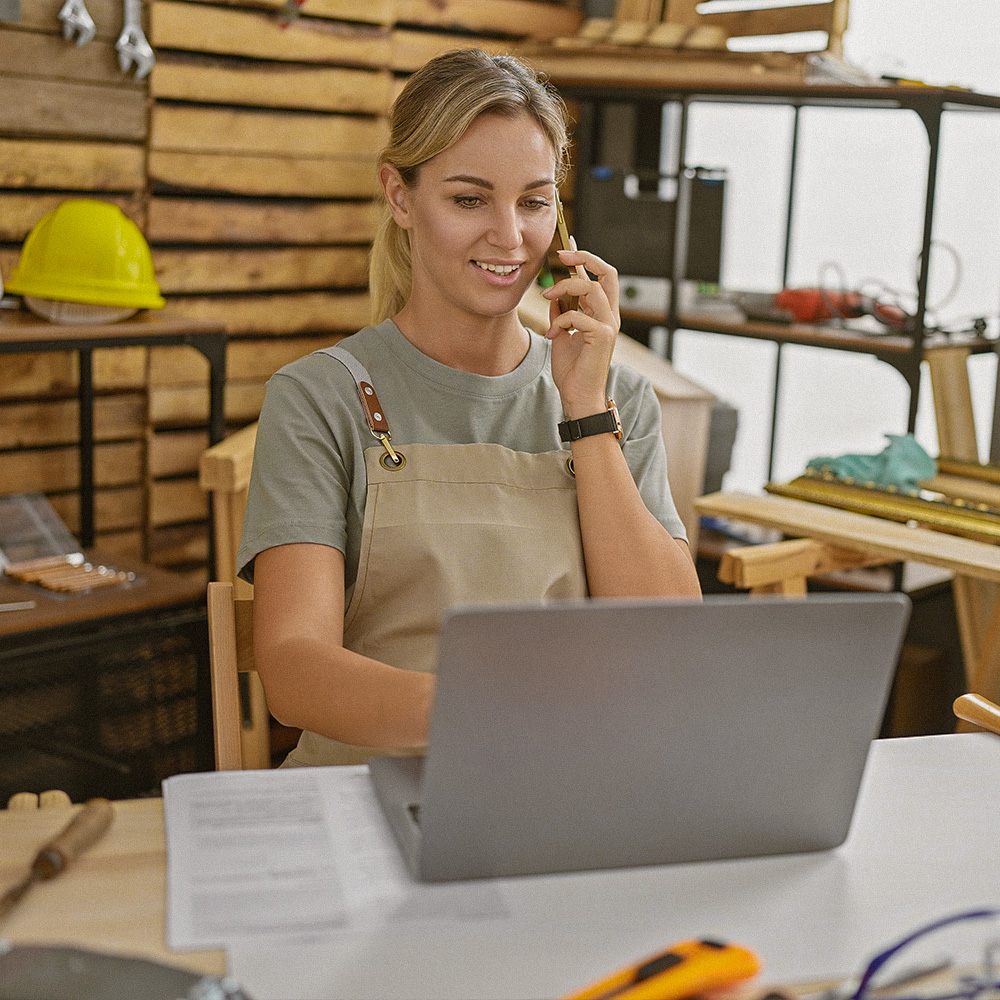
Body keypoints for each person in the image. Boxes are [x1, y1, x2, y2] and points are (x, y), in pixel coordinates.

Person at [236, 48, 702, 767]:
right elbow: (295, 672)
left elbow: (666, 642)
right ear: (399, 197)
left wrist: (584, 412)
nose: (510, 236)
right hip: (365, 793)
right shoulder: (319, 397)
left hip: (560, 786)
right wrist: (485, 713)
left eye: (535, 202)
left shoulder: (616, 398)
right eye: (469, 199)